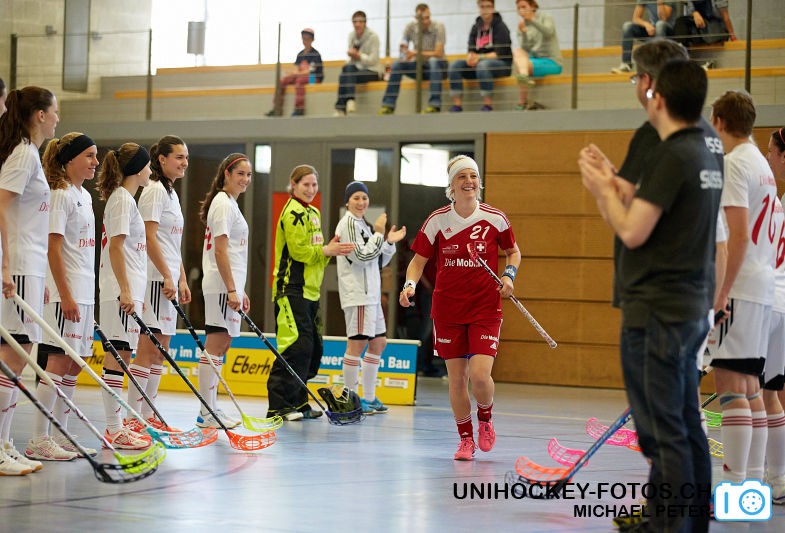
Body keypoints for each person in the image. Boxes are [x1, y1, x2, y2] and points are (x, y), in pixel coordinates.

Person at [580, 59, 720, 532]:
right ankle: (691, 522)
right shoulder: (705, 146)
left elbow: (634, 230)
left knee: (663, 434)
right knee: (683, 423)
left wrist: (602, 190)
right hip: (689, 303)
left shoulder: (673, 153)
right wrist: (618, 179)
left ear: (654, 94)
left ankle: (667, 526)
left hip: (658, 309)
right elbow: (661, 203)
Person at [400, 155, 520, 460]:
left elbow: (513, 252)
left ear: (479, 182)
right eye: (462, 177)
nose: (469, 182)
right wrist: (410, 286)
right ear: (451, 185)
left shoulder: (495, 218)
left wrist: (509, 275)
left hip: (485, 309)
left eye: (473, 176)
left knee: (480, 376)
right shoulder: (437, 220)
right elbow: (417, 262)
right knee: (457, 379)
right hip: (448, 311)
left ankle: (486, 418)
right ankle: (465, 439)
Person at [705, 91, 776, 490]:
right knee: (749, 387)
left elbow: (737, 234)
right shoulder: (763, 164)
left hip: (742, 285)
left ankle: (734, 489)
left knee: (730, 386)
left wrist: (721, 292)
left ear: (718, 122)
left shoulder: (734, 164)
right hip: (762, 286)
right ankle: (750, 489)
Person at [25, 133, 98, 462]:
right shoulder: (61, 195)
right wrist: (66, 295)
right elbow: (52, 248)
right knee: (56, 361)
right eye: (89, 156)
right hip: (62, 293)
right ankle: (39, 438)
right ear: (70, 159)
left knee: (72, 365)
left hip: (83, 293)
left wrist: (83, 300)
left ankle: (60, 434)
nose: (95, 162)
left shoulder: (84, 196)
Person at [0, 86, 58, 476]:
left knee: (17, 358)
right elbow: (1, 203)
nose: (58, 118)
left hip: (31, 265)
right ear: (39, 114)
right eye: (55, 112)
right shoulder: (23, 153)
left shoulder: (30, 153)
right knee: (12, 356)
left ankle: (5, 442)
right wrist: (7, 264)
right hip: (18, 263)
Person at [267, 165, 354, 421]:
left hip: (311, 292)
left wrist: (330, 250)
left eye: (314, 185)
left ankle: (299, 401)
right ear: (293, 185)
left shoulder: (313, 212)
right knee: (295, 346)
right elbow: (299, 252)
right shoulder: (292, 212)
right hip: (290, 290)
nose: (310, 189)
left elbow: (317, 257)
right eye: (305, 184)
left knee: (313, 349)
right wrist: (326, 251)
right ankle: (279, 406)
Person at [126, 135, 194, 433]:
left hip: (167, 279)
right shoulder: (153, 190)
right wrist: (167, 275)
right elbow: (149, 237)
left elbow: (171, 242)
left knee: (161, 349)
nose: (184, 163)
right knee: (148, 348)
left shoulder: (171, 193)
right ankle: (132, 418)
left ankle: (149, 415)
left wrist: (180, 276)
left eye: (186, 158)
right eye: (178, 157)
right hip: (153, 279)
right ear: (162, 159)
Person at [97, 143, 154, 450]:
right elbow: (116, 248)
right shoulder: (121, 200)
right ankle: (113, 429)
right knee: (117, 356)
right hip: (119, 291)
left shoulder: (127, 201)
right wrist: (126, 290)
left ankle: (116, 427)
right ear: (136, 168)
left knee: (123, 356)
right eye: (147, 165)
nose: (150, 171)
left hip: (126, 290)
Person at [335, 181, 406, 413]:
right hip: (359, 295)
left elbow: (376, 260)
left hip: (372, 296)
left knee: (378, 343)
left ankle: (369, 397)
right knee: (357, 344)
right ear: (347, 201)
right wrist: (378, 233)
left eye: (364, 198)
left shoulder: (362, 225)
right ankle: (349, 399)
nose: (361, 202)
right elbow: (361, 258)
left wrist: (388, 243)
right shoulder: (347, 225)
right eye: (356, 198)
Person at [197, 153, 252, 429]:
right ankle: (206, 413)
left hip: (229, 285)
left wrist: (239, 290)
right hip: (220, 284)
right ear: (227, 174)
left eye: (249, 175)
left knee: (223, 344)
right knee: (216, 343)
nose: (245, 179)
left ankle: (211, 408)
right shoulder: (222, 203)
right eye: (240, 173)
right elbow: (220, 250)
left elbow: (234, 252)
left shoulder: (230, 204)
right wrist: (231, 288)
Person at [764, 127, 785, 504]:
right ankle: (776, 479)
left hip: (774, 305)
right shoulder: (778, 202)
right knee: (773, 391)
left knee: (759, 394)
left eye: (772, 152)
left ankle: (769, 480)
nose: (768, 158)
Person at [378, 4, 447, 115]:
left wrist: (416, 53)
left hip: (438, 67)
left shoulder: (439, 27)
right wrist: (405, 55)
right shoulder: (410, 27)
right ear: (416, 18)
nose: (425, 21)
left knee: (433, 61)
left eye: (427, 17)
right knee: (397, 64)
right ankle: (388, 105)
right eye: (422, 18)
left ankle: (434, 105)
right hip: (419, 67)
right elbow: (403, 49)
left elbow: (438, 53)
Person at [448, 0, 512, 113]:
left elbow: (499, 53)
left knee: (483, 65)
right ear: (479, 8)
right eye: (482, 7)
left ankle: (487, 105)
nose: (485, 10)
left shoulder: (501, 27)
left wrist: (480, 57)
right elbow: (471, 49)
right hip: (479, 64)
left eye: (488, 6)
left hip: (502, 65)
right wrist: (470, 57)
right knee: (455, 65)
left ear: (493, 8)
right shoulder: (475, 27)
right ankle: (457, 106)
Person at [513, 0, 562, 111]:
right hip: (534, 61)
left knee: (521, 67)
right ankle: (524, 77)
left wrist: (532, 20)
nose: (521, 10)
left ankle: (522, 102)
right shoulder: (521, 25)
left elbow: (549, 32)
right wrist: (524, 33)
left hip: (551, 62)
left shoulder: (545, 17)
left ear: (533, 6)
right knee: (517, 52)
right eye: (519, 8)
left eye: (524, 7)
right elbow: (526, 49)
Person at [265, 28, 323, 118]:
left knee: (299, 81)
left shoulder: (315, 54)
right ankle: (276, 108)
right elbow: (296, 69)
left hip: (313, 78)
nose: (305, 41)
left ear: (312, 40)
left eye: (307, 39)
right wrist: (292, 74)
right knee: (283, 81)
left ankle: (299, 109)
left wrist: (295, 74)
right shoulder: (300, 54)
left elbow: (311, 71)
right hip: (300, 76)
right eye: (303, 38)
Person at [334, 11, 382, 116]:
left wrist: (359, 56)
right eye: (355, 22)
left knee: (345, 75)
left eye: (360, 22)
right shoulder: (351, 36)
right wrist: (352, 55)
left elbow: (373, 60)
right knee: (346, 69)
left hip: (372, 70)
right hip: (356, 69)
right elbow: (352, 60)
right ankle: (349, 101)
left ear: (365, 23)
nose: (357, 24)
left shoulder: (373, 37)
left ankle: (340, 107)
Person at [610, 1, 676, 74]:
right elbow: (636, 18)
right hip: (653, 30)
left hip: (668, 31)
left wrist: (660, 3)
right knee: (627, 26)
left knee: (659, 25)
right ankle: (626, 64)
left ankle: (659, 64)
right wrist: (646, 25)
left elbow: (663, 18)